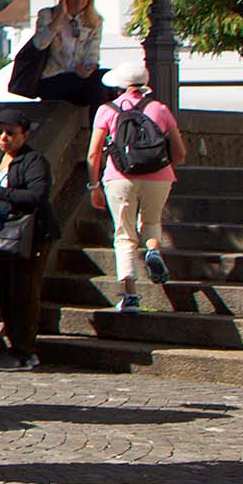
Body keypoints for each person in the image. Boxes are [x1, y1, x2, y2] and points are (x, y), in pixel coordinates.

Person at [89, 66, 188, 314]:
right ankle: (153, 249)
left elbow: (93, 154)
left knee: (124, 235)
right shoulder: (160, 109)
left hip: (119, 177)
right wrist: (163, 168)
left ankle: (130, 297)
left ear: (118, 85)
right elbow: (180, 152)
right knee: (152, 221)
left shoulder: (107, 110)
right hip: (159, 177)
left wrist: (94, 185)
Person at [0, 111, 56, 371]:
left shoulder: (34, 160)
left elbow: (37, 195)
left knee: (23, 294)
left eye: (10, 133)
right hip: (2, 234)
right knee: (4, 291)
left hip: (31, 235)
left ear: (24, 135)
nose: (3, 137)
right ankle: (11, 348)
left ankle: (24, 351)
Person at [24, 0, 116, 107]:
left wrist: (89, 68)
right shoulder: (47, 15)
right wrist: (59, 17)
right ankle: (98, 126)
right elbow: (40, 44)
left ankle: (100, 124)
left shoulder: (95, 21)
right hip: (52, 79)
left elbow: (93, 51)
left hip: (79, 78)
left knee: (108, 78)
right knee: (97, 84)